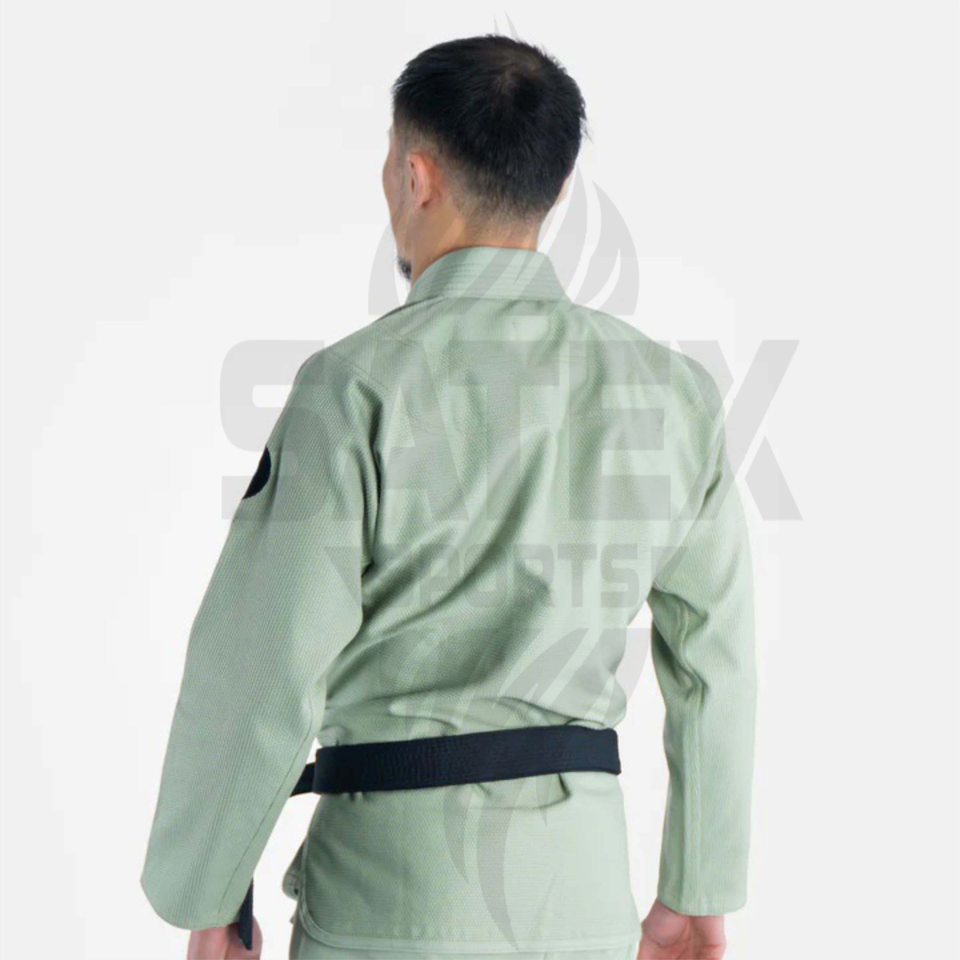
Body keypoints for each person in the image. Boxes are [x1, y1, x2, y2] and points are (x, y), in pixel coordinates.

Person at [142, 35, 756, 960]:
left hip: (391, 898)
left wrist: (211, 897)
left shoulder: (353, 387)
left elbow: (263, 665)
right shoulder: (673, 395)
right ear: (555, 185)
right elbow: (716, 659)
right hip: (582, 897)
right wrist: (698, 884)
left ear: (416, 176)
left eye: (389, 160)